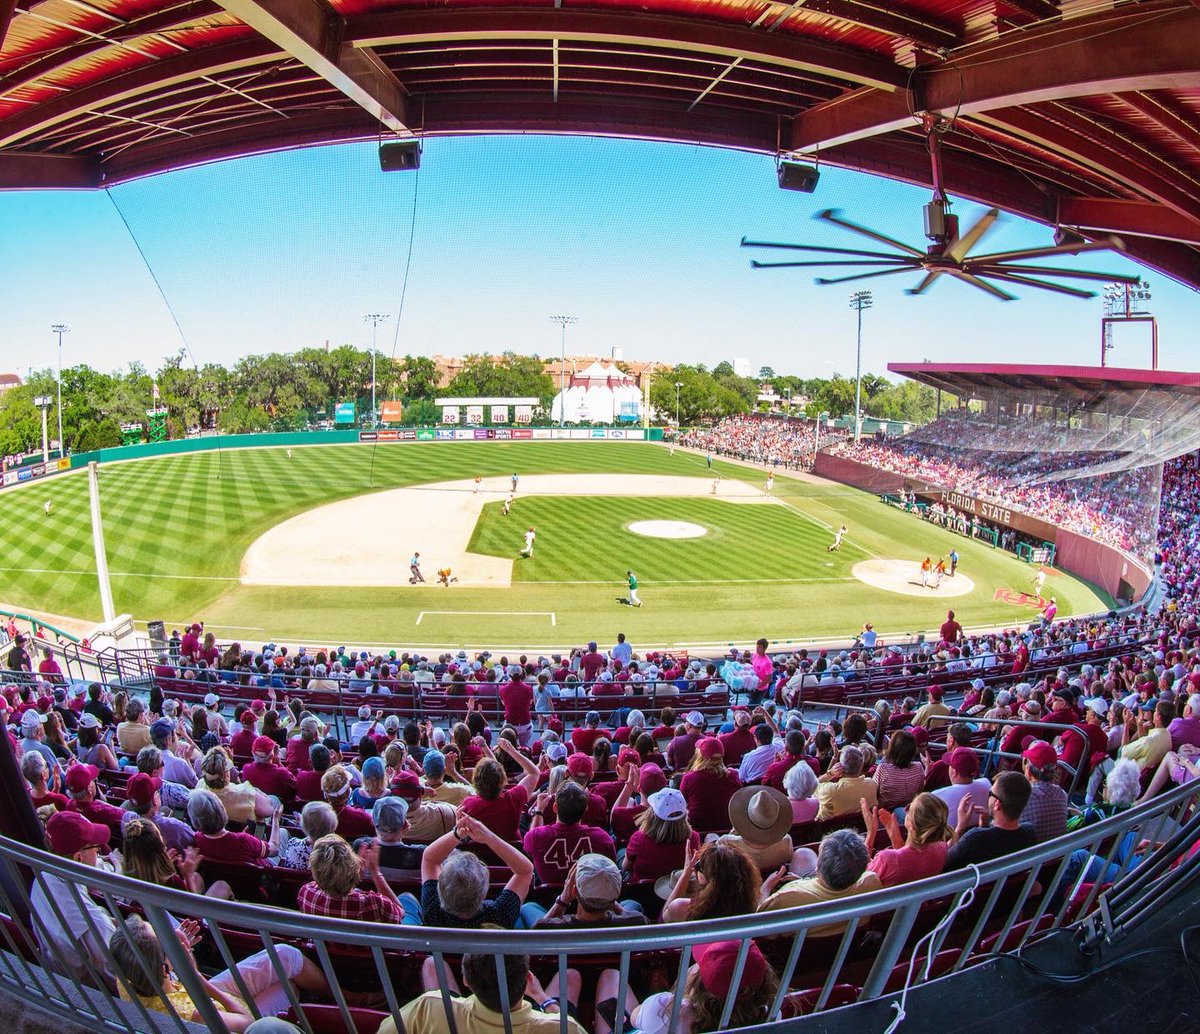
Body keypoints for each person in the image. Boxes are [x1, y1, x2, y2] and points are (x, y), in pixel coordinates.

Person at [108, 914, 329, 1031]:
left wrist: (177, 949)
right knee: (288, 986)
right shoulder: (193, 1016)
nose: (170, 936)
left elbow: (138, 951)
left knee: (284, 956)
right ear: (165, 968)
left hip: (200, 991)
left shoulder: (126, 976)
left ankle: (342, 996)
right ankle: (337, 1003)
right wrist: (193, 974)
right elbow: (247, 1022)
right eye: (165, 940)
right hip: (227, 1011)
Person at [596, 938, 778, 1034]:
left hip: (653, 1018)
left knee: (611, 977)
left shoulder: (668, 1009)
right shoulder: (772, 1012)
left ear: (700, 983)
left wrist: (679, 989)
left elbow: (635, 1017)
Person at [381, 952, 585, 1034]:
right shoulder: (563, 1028)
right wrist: (542, 997)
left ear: (466, 981)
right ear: (528, 980)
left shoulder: (429, 1007)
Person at [399, 812, 533, 928]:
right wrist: (488, 837)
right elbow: (525, 870)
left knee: (405, 898)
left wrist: (457, 834)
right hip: (487, 958)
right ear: (483, 894)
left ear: (440, 891)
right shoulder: (499, 915)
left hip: (441, 957)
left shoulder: (432, 910)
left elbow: (430, 858)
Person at [757, 829, 882, 936]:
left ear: (817, 866)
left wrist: (765, 888)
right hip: (848, 952)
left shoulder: (785, 898)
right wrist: (805, 882)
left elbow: (763, 929)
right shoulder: (871, 882)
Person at [523, 781, 615, 885]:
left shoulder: (536, 836)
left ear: (555, 807)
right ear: (586, 809)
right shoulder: (601, 837)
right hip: (587, 898)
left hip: (547, 899)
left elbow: (529, 847)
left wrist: (539, 811)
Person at [524, 853, 647, 930]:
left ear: (574, 891)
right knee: (632, 904)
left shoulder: (546, 928)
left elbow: (538, 929)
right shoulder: (637, 922)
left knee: (527, 907)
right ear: (617, 893)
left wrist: (563, 899)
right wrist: (608, 895)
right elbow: (630, 916)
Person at [298, 836, 405, 922]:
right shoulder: (374, 903)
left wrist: (355, 874)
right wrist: (376, 873)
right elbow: (400, 913)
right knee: (407, 898)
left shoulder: (306, 892)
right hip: (371, 949)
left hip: (321, 949)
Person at [944, 771, 1036, 869]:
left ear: (997, 804)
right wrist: (984, 827)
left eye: (990, 793)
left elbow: (941, 863)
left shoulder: (974, 838)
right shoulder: (1029, 832)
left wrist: (960, 827)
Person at [862, 793, 952, 888]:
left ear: (911, 825)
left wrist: (871, 832)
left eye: (909, 808)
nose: (906, 810)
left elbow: (861, 880)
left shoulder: (886, 859)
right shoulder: (942, 849)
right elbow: (911, 862)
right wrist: (894, 837)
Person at [662, 840, 761, 923]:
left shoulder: (683, 908)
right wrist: (766, 888)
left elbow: (664, 916)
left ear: (708, 880)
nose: (695, 868)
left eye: (699, 865)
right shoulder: (751, 907)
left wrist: (686, 873)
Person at [623, 787, 700, 883]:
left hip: (641, 894)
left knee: (621, 852)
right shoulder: (694, 838)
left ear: (653, 814)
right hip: (680, 893)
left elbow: (626, 867)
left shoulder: (639, 838)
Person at [722, 785, 798, 870]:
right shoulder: (786, 842)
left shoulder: (726, 842)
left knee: (711, 836)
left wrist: (733, 832)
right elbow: (788, 860)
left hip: (741, 882)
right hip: (772, 880)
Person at [679, 737, 741, 831]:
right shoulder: (733, 776)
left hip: (697, 828)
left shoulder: (689, 778)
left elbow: (682, 802)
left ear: (700, 756)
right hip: (727, 827)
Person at [1021, 740, 1068, 842]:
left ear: (1028, 770)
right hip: (1058, 855)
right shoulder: (1063, 795)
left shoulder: (1021, 797)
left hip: (1030, 856)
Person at [815, 745, 878, 820]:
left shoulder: (830, 790)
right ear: (861, 766)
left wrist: (830, 773)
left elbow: (812, 787)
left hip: (828, 830)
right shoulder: (872, 784)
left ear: (840, 766)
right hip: (861, 827)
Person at [277, 801, 338, 870]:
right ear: (333, 828)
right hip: (317, 880)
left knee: (282, 831)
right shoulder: (333, 854)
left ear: (303, 827)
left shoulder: (293, 843)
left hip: (288, 879)